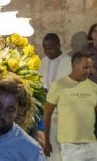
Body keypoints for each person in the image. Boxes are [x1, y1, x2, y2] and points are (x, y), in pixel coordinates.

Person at [43, 52, 97, 161]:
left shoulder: (94, 87)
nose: (89, 71)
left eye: (90, 67)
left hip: (91, 145)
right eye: (85, 67)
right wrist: (47, 141)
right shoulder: (59, 85)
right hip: (70, 146)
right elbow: (47, 114)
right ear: (74, 66)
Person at [37, 32, 71, 160]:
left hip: (63, 111)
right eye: (45, 49)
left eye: (50, 48)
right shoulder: (42, 62)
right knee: (49, 146)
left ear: (58, 45)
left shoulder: (69, 62)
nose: (47, 52)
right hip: (46, 111)